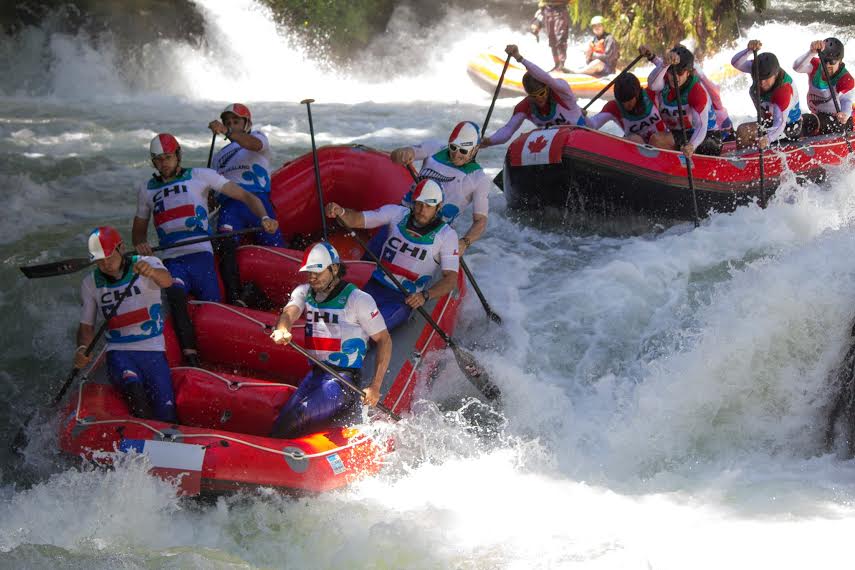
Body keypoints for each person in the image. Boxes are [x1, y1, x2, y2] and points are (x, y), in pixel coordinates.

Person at [133, 133, 279, 365]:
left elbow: (245, 195)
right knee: (176, 296)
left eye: (168, 157)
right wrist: (140, 243)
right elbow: (138, 231)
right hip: (172, 260)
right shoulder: (146, 190)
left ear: (178, 155)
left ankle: (246, 298)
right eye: (158, 159)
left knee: (215, 310)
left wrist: (263, 216)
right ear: (153, 162)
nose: (164, 163)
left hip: (201, 255)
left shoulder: (201, 175)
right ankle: (191, 357)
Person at [269, 242, 392, 438]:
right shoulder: (304, 292)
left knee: (296, 419)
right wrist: (283, 329)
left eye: (318, 272)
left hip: (343, 382)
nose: (312, 277)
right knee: (280, 424)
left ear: (334, 269)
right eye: (309, 272)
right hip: (316, 374)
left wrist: (375, 387)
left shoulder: (358, 299)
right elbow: (288, 314)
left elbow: (384, 340)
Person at [324, 179, 459, 331]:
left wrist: (425, 296)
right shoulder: (396, 213)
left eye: (428, 206)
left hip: (402, 299)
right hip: (373, 285)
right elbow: (357, 220)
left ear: (438, 207)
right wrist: (340, 211)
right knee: (336, 322)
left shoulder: (447, 236)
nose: (422, 210)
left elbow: (451, 279)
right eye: (419, 204)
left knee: (364, 330)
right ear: (413, 202)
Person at [74, 226, 177, 422]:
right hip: (119, 352)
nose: (105, 264)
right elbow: (86, 327)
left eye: (109, 257)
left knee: (167, 412)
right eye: (99, 261)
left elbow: (167, 281)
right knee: (135, 392)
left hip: (153, 348)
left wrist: (152, 272)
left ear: (121, 247)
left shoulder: (148, 262)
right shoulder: (90, 283)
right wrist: (81, 348)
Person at [207, 103, 285, 306]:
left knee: (275, 247)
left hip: (257, 201)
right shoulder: (218, 157)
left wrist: (227, 131)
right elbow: (214, 189)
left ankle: (276, 295)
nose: (231, 125)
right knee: (225, 242)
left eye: (236, 121)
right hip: (230, 205)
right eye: (228, 122)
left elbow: (251, 145)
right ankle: (234, 298)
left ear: (247, 123)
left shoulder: (258, 137)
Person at [389, 121, 490, 255]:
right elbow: (395, 157)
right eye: (453, 147)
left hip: (431, 236)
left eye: (463, 150)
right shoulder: (434, 148)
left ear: (476, 149)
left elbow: (480, 221)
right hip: (401, 218)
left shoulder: (479, 178)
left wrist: (464, 242)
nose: (456, 154)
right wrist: (402, 153)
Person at [481, 44, 585, 148]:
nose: (539, 98)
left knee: (596, 120)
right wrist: (488, 141)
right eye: (534, 96)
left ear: (547, 88)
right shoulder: (525, 107)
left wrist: (519, 58)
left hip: (583, 134)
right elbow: (508, 130)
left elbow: (547, 78)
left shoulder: (561, 91)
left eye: (542, 93)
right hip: (559, 146)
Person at [647, 44, 723, 157]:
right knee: (655, 138)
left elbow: (701, 126)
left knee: (657, 140)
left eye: (680, 73)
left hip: (708, 138)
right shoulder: (664, 80)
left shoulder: (696, 91)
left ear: (688, 72)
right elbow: (652, 85)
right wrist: (664, 64)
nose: (675, 77)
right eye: (672, 73)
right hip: (681, 134)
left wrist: (692, 145)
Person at [731, 40, 802, 150]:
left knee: (743, 132)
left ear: (776, 74)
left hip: (790, 127)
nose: (762, 82)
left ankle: (746, 160)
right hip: (769, 121)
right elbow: (735, 63)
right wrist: (748, 50)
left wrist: (767, 139)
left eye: (766, 79)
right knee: (744, 132)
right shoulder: (758, 70)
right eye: (758, 78)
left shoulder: (783, 90)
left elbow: (779, 125)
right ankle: (748, 156)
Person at [585, 49, 665, 144]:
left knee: (656, 139)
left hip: (662, 144)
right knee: (634, 139)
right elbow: (593, 124)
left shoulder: (652, 93)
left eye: (630, 100)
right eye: (623, 101)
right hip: (637, 147)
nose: (627, 105)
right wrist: (582, 116)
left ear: (637, 93)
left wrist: (652, 57)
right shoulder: (613, 107)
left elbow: (665, 71)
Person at [792, 38, 854, 136]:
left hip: (839, 121)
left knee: (807, 121)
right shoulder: (816, 65)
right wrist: (811, 52)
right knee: (793, 123)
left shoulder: (846, 79)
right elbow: (796, 67)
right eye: (824, 60)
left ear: (840, 61)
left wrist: (845, 115)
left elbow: (846, 100)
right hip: (818, 116)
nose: (827, 65)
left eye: (832, 61)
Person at [533, 0, 571, 72]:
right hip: (548, 10)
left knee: (560, 38)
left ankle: (561, 65)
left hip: (560, 10)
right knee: (552, 40)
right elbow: (541, 9)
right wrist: (536, 23)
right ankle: (556, 65)